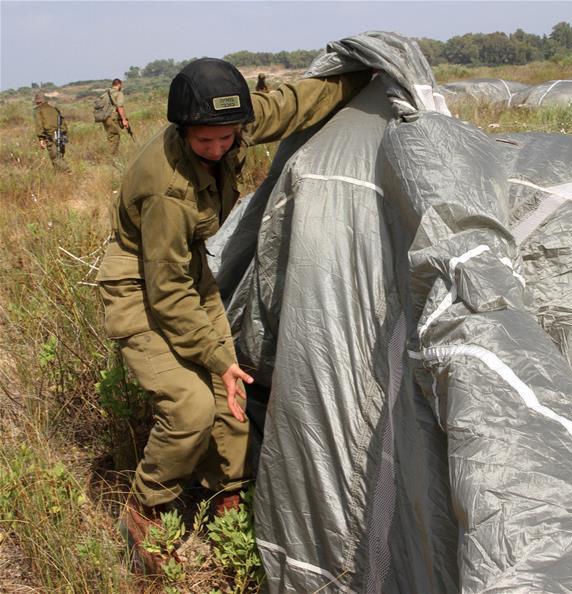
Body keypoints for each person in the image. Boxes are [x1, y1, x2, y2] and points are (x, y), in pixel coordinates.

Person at [97, 58, 370, 571]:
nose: (220, 149)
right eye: (206, 142)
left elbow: (292, 104)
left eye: (228, 138)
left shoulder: (227, 123)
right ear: (184, 130)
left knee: (231, 393)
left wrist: (363, 75)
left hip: (185, 271)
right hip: (141, 282)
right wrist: (215, 355)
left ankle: (228, 496)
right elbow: (167, 292)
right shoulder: (166, 189)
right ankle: (145, 507)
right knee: (189, 408)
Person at [33, 93, 70, 172]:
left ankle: (68, 172)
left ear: (37, 102)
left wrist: (41, 139)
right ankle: (59, 176)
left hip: (51, 136)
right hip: (62, 135)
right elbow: (62, 122)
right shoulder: (54, 109)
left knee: (55, 157)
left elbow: (39, 125)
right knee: (60, 156)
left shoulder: (38, 110)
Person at [101, 78, 130, 155]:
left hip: (104, 118)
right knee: (115, 137)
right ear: (119, 84)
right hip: (112, 118)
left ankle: (111, 155)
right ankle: (112, 156)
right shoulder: (118, 93)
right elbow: (120, 107)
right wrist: (124, 120)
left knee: (110, 136)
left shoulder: (105, 94)